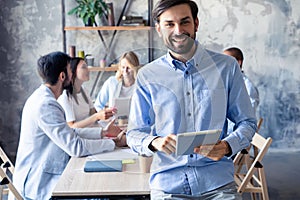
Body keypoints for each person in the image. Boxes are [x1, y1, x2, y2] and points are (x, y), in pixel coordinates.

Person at [126, 0, 257, 199]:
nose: (178, 30)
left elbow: (247, 122)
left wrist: (228, 145)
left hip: (218, 184)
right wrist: (155, 142)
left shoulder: (227, 67)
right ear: (159, 29)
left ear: (196, 23)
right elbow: (134, 133)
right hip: (168, 186)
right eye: (169, 24)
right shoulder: (147, 75)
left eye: (184, 22)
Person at [13, 51, 126, 199]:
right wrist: (112, 143)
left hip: (45, 174)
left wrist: (103, 133)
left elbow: (69, 131)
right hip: (39, 184)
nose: (72, 74)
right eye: (70, 70)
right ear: (62, 76)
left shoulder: (42, 97)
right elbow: (75, 147)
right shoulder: (46, 105)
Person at [57, 57, 116, 128]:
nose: (88, 70)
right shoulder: (65, 96)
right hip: (81, 136)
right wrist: (96, 116)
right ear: (72, 71)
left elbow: (93, 114)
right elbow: (72, 126)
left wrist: (106, 113)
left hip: (93, 131)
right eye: (84, 67)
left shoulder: (84, 90)